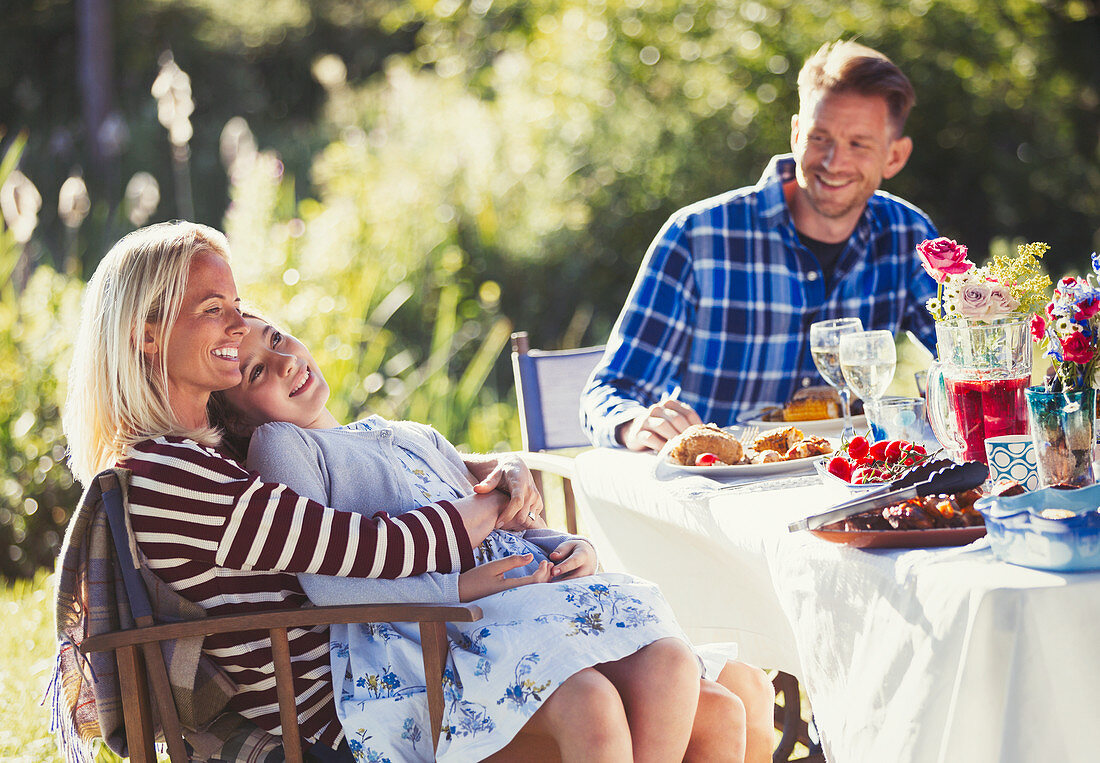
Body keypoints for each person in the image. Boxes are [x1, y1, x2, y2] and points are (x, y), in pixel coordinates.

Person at [61, 221, 537, 757]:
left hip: (387, 674)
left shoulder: (198, 460)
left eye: (237, 305)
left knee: (621, 681)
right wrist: (495, 500)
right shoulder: (173, 477)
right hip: (351, 717)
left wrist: (486, 469)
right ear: (146, 335)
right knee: (591, 703)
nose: (240, 324)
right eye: (213, 308)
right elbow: (372, 547)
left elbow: (364, 475)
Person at [209, 313, 777, 762]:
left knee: (729, 687)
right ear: (238, 421)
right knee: (664, 685)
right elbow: (329, 584)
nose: (284, 362)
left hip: (523, 608)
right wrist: (460, 587)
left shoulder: (402, 432)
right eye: (256, 371)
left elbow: (502, 523)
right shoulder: (284, 444)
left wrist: (564, 545)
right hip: (438, 638)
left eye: (277, 338)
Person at [581, 39, 939, 453]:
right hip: (719, 487)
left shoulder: (909, 235)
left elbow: (960, 359)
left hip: (851, 483)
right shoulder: (697, 236)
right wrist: (632, 423)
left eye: (858, 143)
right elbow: (610, 391)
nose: (833, 161)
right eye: (819, 137)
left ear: (894, 156)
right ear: (795, 134)